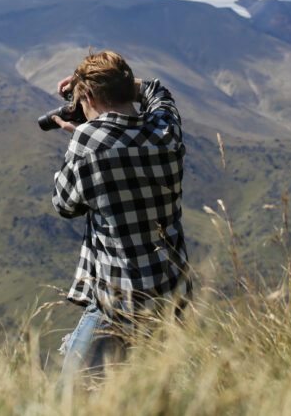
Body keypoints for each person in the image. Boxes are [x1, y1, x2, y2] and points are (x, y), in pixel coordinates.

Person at [50, 50, 191, 386]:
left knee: (69, 398)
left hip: (118, 301)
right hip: (172, 292)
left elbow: (64, 203)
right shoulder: (165, 129)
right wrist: (122, 83)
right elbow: (157, 91)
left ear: (88, 97)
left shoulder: (87, 141)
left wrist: (78, 142)